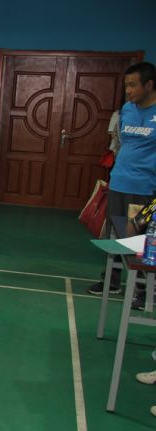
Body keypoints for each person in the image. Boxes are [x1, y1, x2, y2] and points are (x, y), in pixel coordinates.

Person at [87, 62, 156, 297]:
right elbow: (123, 144)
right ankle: (111, 280)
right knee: (115, 236)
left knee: (140, 240)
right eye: (126, 85)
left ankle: (144, 289)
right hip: (119, 183)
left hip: (146, 189)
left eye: (133, 85)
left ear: (149, 85)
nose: (128, 90)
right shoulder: (126, 109)